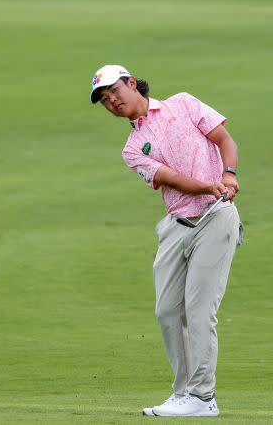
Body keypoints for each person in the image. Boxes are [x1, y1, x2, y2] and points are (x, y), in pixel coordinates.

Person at [90, 64, 243, 418]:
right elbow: (170, 177)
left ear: (131, 83)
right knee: (167, 310)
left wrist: (228, 175)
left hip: (216, 216)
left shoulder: (183, 103)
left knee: (200, 309)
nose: (112, 101)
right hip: (177, 224)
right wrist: (208, 184)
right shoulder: (131, 150)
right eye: (105, 100)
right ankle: (184, 394)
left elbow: (224, 140)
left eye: (115, 91)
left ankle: (202, 397)